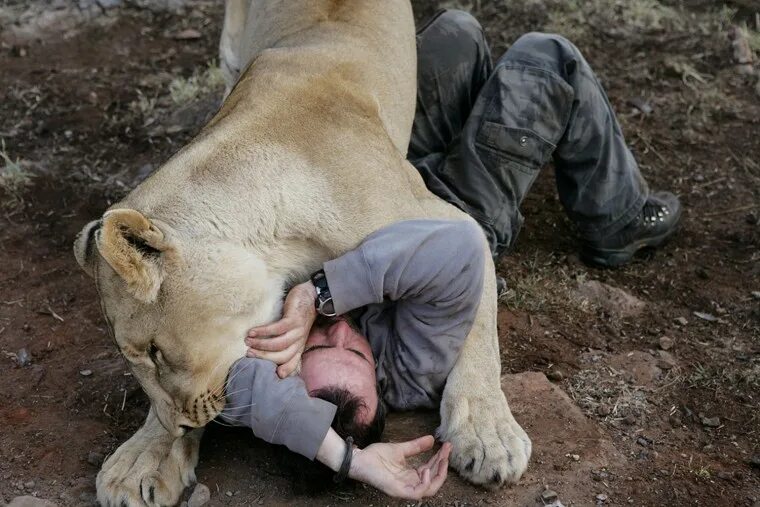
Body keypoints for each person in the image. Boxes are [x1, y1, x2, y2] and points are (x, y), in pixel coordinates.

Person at [221, 9, 682, 499]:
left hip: (382, 176)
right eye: (354, 349)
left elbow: (229, 393)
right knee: (548, 59)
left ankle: (474, 111)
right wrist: (320, 292)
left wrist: (342, 458)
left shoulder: (269, 353)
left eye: (317, 346)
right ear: (379, 383)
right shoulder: (407, 373)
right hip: (456, 204)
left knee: (453, 35)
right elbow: (456, 246)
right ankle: (617, 219)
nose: (337, 328)